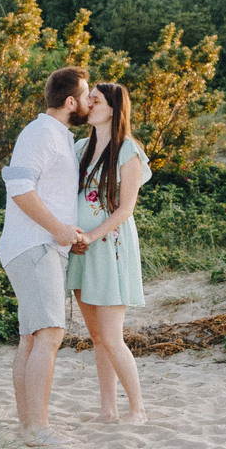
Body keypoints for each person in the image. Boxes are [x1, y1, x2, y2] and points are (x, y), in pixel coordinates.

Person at [0, 66, 90, 446]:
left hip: (38, 246)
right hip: (35, 247)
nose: (89, 102)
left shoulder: (57, 137)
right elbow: (19, 188)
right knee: (50, 334)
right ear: (70, 102)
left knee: (31, 339)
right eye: (86, 96)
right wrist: (57, 230)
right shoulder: (40, 133)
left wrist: (69, 234)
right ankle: (37, 428)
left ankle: (27, 426)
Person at [66, 81, 149, 422]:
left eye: (95, 100)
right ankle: (108, 410)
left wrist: (91, 236)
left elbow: (125, 208)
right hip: (80, 249)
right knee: (97, 337)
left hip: (109, 247)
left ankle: (138, 408)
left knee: (113, 337)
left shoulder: (127, 150)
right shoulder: (80, 147)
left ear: (113, 109)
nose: (89, 105)